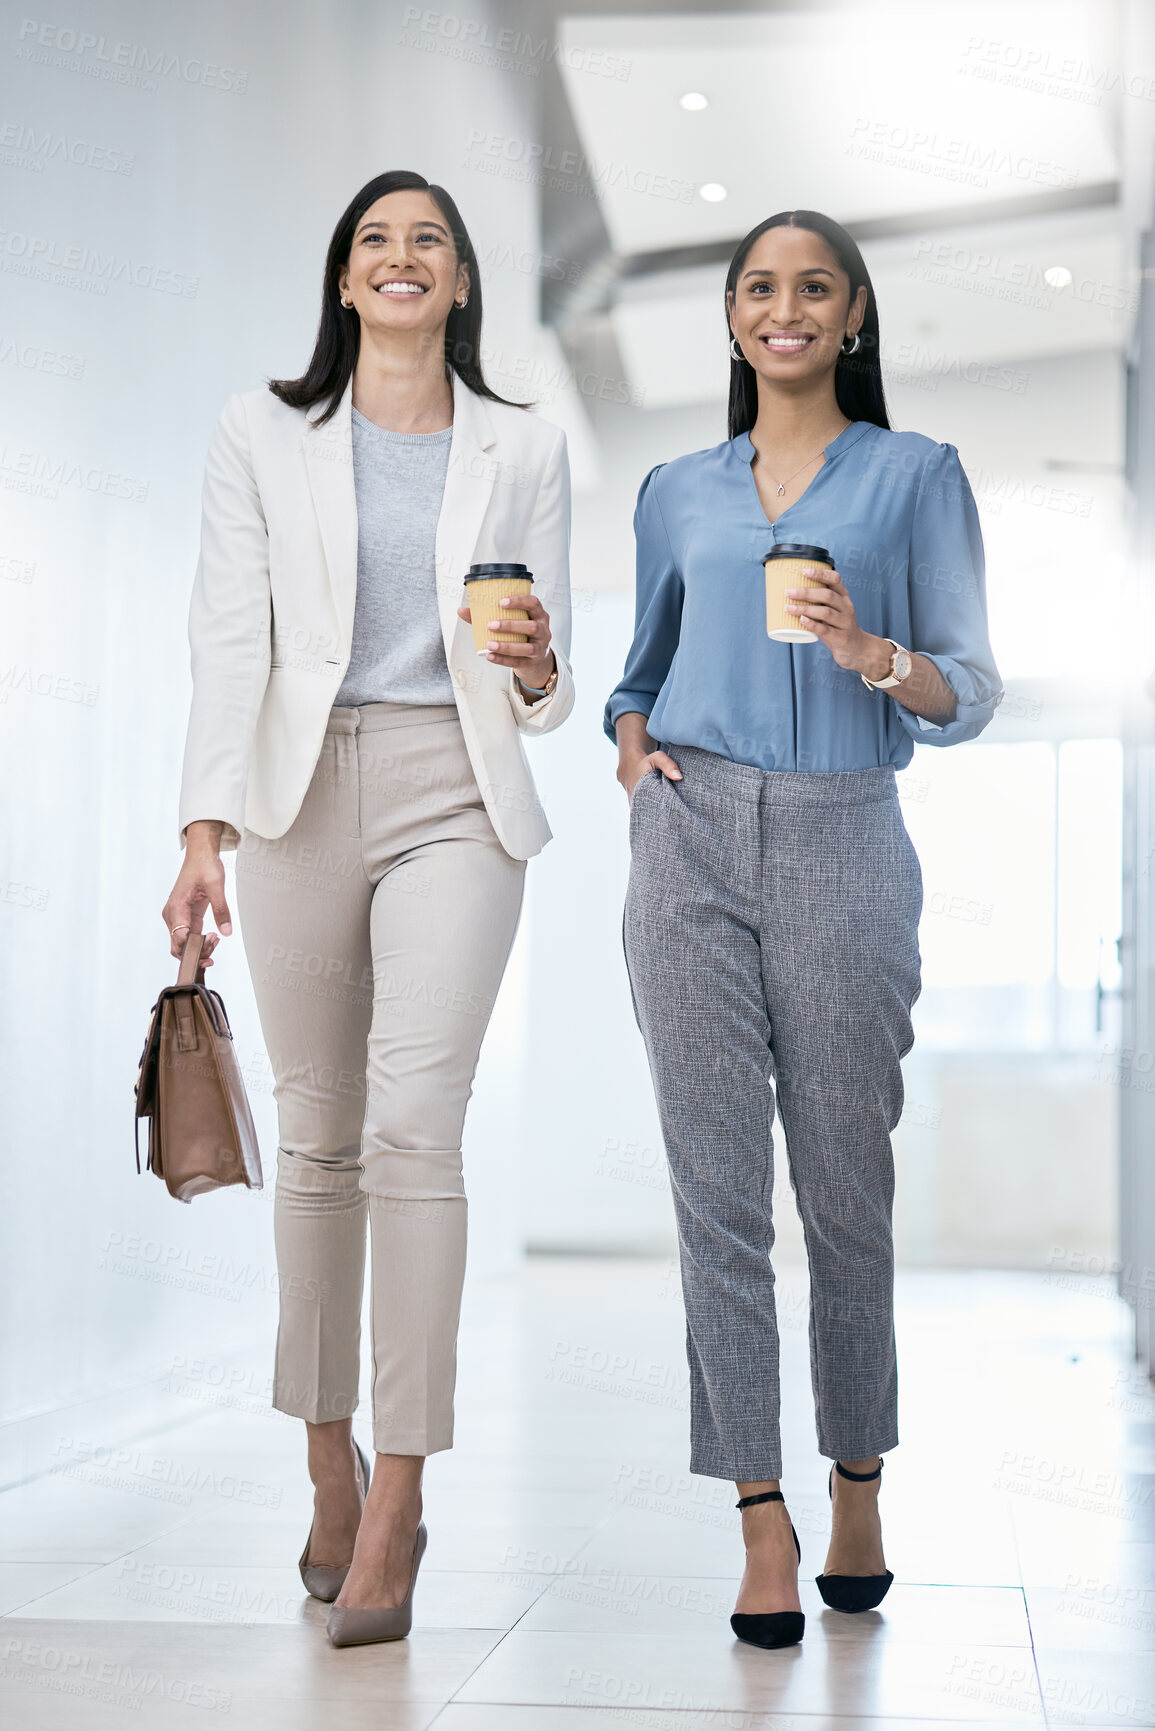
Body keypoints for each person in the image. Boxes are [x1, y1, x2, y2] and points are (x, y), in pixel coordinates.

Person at [163, 169, 573, 1648]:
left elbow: (544, 677)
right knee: (320, 1132)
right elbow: (227, 631)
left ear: (460, 285)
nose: (402, 262)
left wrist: (533, 664)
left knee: (415, 1126)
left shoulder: (522, 445)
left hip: (454, 786)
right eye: (376, 244)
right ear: (345, 282)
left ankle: (401, 1490)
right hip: (292, 796)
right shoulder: (261, 432)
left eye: (430, 246)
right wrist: (203, 829)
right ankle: (324, 1457)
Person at [604, 209, 1001, 1650]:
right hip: (691, 836)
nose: (785, 308)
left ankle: (856, 1480)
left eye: (813, 287)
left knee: (844, 1193)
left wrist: (870, 655)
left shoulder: (915, 479)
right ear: (728, 319)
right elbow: (636, 669)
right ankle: (759, 1514)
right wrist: (634, 747)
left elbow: (972, 688)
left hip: (846, 829)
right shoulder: (676, 491)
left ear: (853, 318)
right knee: (714, 1197)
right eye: (759, 287)